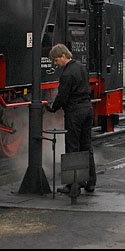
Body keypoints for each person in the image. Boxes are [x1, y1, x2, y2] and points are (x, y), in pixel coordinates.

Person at [44, 43, 96, 197]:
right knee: (87, 147)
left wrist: (53, 108)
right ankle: (91, 182)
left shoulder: (67, 74)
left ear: (63, 56)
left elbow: (63, 96)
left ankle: (72, 184)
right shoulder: (81, 67)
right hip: (87, 109)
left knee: (72, 147)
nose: (55, 64)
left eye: (56, 60)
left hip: (75, 112)